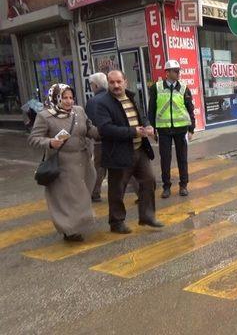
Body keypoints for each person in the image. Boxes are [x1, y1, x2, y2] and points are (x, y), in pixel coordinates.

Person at [94, 70, 163, 234]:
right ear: (108, 84)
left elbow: (142, 116)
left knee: (149, 181)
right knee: (117, 189)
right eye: (112, 82)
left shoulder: (131, 97)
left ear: (125, 81)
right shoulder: (103, 103)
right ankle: (116, 222)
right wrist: (133, 132)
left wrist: (148, 126)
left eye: (119, 81)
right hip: (118, 153)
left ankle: (147, 216)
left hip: (139, 150)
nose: (116, 85)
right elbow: (105, 129)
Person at [28, 84, 99, 242]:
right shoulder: (45, 116)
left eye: (71, 97)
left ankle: (77, 223)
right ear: (55, 98)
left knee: (83, 192)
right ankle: (69, 229)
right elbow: (33, 139)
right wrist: (50, 142)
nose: (69, 101)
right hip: (63, 163)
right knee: (67, 197)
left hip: (83, 160)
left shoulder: (79, 111)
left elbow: (89, 129)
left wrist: (103, 131)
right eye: (64, 97)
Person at [148, 60, 196, 198]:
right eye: (175, 71)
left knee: (182, 159)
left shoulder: (184, 88)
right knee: (165, 159)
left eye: (178, 71)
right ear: (167, 72)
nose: (178, 73)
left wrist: (191, 129)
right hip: (164, 130)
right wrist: (152, 128)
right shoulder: (156, 88)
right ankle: (166, 187)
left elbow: (190, 109)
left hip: (181, 129)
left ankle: (183, 185)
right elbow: (151, 110)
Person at [85, 73, 109, 202]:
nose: (90, 87)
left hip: (100, 139)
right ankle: (141, 191)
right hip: (115, 138)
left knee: (99, 166)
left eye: (91, 84)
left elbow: (89, 123)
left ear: (95, 85)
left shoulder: (92, 101)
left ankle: (95, 193)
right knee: (123, 166)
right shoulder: (112, 96)